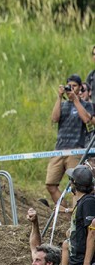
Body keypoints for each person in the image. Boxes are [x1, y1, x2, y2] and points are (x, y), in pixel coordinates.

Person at [46, 75, 93, 205]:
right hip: (60, 149)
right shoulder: (63, 105)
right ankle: (66, 213)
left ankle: (77, 215)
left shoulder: (86, 105)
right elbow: (54, 119)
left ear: (80, 88)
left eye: (74, 86)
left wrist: (75, 100)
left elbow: (87, 119)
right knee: (50, 184)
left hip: (76, 149)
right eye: (69, 86)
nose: (71, 88)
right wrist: (59, 97)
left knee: (77, 186)